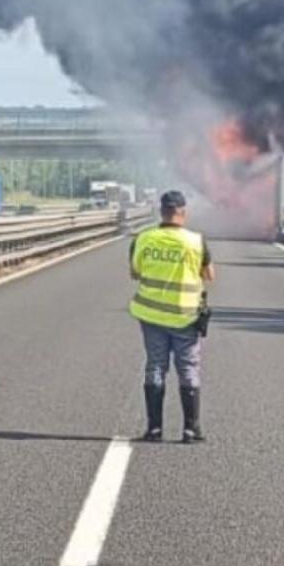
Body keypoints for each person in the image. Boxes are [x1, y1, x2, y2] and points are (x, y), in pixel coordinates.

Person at [128, 189, 215, 443]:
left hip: (152, 315)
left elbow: (134, 272)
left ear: (161, 211)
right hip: (185, 316)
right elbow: (209, 275)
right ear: (183, 213)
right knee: (188, 368)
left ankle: (154, 430)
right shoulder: (196, 242)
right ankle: (191, 430)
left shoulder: (144, 239)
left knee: (155, 366)